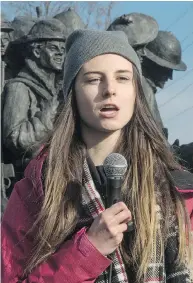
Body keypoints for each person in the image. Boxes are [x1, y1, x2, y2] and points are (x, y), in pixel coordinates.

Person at [2, 29, 193, 283]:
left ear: (136, 92)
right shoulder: (35, 192)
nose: (109, 90)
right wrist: (86, 252)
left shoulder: (180, 191)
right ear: (72, 93)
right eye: (93, 79)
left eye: (123, 78)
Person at [2, 19, 66, 184]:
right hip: (29, 180)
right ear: (37, 51)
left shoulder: (57, 89)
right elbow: (16, 139)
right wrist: (51, 113)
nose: (60, 53)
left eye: (62, 49)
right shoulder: (18, 88)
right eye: (53, 48)